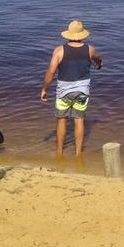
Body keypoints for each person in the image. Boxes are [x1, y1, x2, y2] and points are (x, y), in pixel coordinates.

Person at [40, 19, 103, 156]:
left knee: (61, 121)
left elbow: (51, 71)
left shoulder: (59, 50)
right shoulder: (89, 49)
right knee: (79, 121)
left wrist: (44, 89)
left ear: (68, 34)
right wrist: (98, 64)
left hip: (63, 92)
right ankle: (78, 153)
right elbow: (98, 58)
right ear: (82, 35)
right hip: (82, 92)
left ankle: (59, 152)